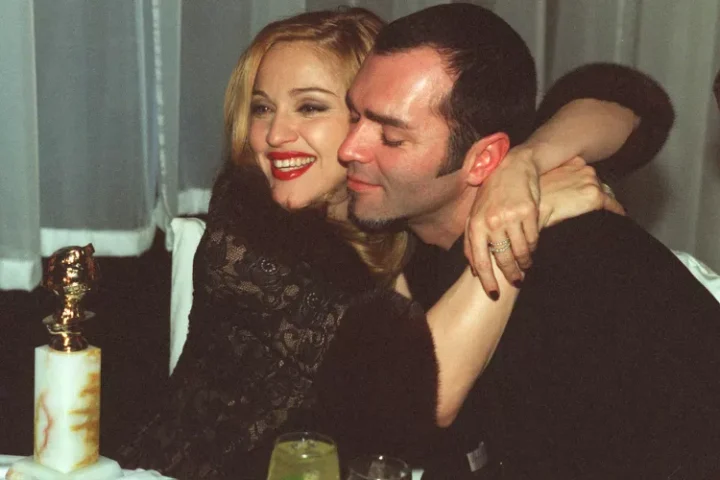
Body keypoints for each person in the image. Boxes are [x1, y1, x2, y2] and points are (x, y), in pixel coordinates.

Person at [116, 7, 671, 479]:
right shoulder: (248, 221)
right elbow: (417, 397)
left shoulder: (397, 215)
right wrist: (533, 209)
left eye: (311, 107)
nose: (274, 134)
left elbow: (632, 103)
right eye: (262, 107)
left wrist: (525, 163)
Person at [338, 3, 720, 479]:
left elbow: (638, 101)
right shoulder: (403, 241)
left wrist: (527, 162)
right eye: (352, 116)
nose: (349, 148)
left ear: (483, 161)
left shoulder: (579, 266)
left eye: (392, 137)